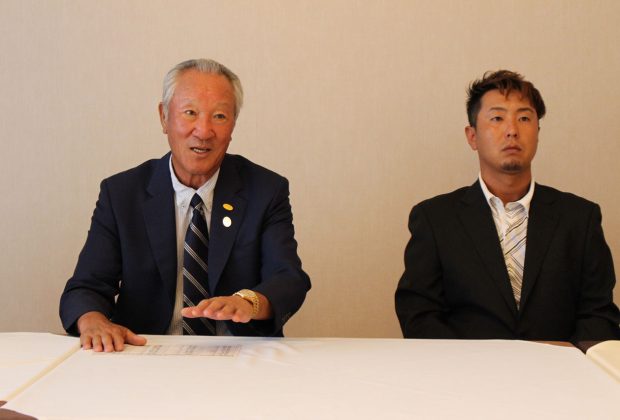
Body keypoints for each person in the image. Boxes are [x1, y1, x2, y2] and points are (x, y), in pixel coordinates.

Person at [60, 59, 311, 352]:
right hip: (145, 352)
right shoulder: (122, 194)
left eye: (219, 116)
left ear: (233, 125)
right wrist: (93, 322)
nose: (203, 131)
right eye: (190, 113)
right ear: (164, 117)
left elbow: (288, 279)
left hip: (239, 354)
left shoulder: (265, 190)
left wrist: (249, 302)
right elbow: (86, 286)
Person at [395, 70, 620, 343]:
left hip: (559, 368)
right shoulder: (435, 219)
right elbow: (418, 314)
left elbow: (599, 315)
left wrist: (560, 357)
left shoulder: (580, 218)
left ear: (538, 132)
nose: (512, 130)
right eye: (497, 118)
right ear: (472, 136)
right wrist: (474, 361)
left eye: (524, 118)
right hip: (465, 369)